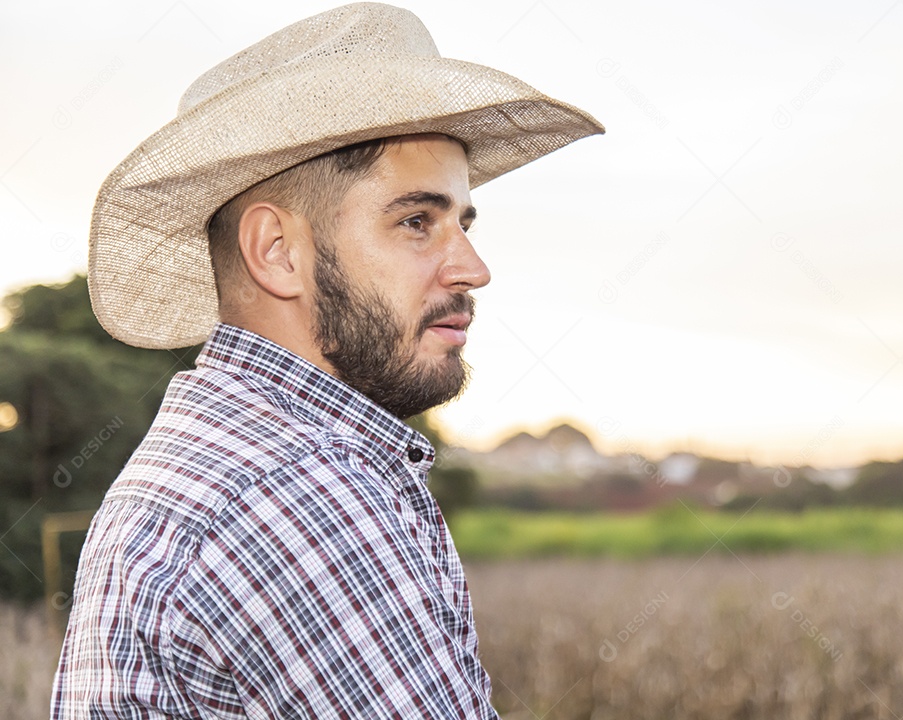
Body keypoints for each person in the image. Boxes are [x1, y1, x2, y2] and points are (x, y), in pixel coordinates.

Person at [51, 4, 602, 718]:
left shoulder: (216, 455)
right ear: (277, 252)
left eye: (462, 223)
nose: (473, 268)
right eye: (416, 221)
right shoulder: (294, 493)